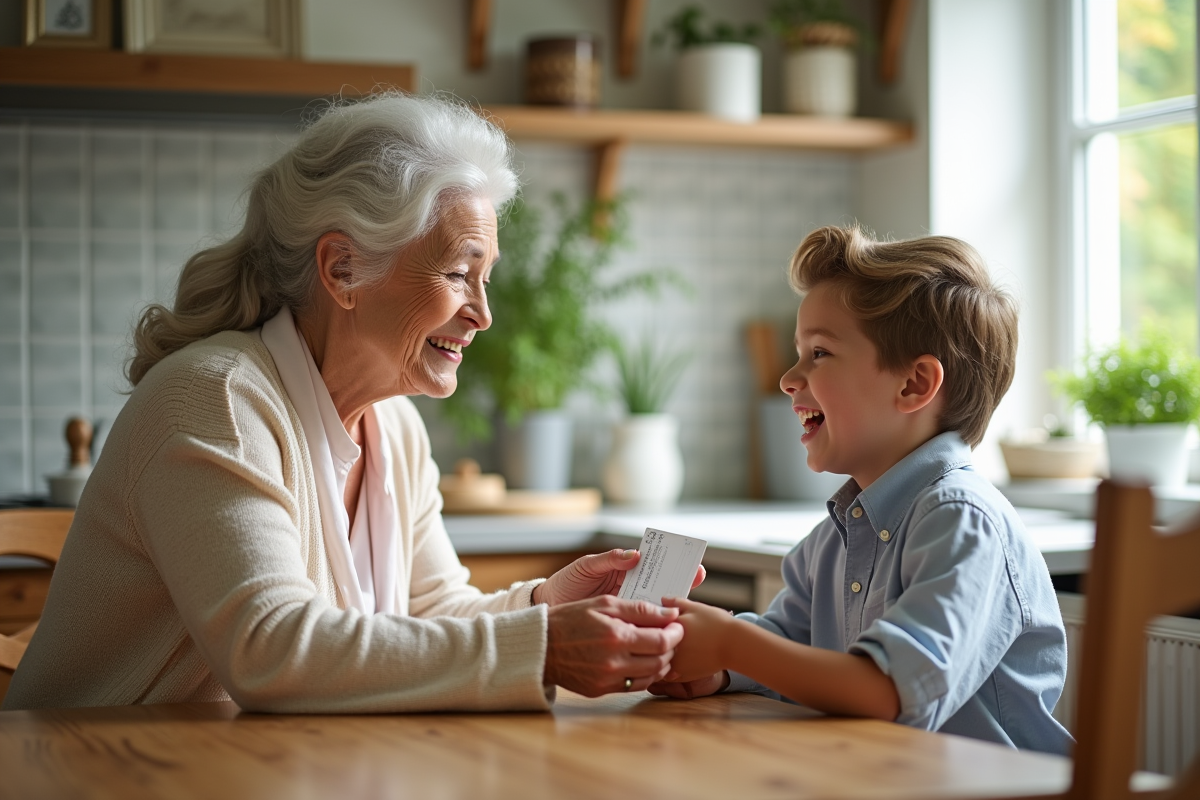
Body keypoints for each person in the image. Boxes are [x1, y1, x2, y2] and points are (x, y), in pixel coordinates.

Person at [3, 93, 698, 713]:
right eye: (459, 274)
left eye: (484, 278)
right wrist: (540, 646)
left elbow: (431, 615)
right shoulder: (216, 398)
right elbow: (269, 648)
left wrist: (547, 603)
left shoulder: (392, 423)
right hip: (102, 772)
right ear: (342, 269)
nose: (482, 314)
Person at [649, 226, 1074, 755]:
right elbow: (788, 644)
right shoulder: (838, 536)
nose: (788, 378)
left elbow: (888, 692)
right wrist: (718, 669)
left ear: (914, 385)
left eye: (820, 353)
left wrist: (732, 642)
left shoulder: (963, 521)